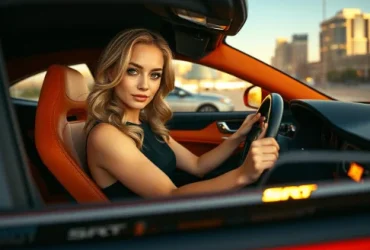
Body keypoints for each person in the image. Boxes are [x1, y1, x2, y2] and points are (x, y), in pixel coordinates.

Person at [85, 28, 280, 200]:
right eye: (132, 71)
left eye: (155, 75)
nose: (144, 85)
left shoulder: (146, 123)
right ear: (111, 73)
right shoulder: (106, 136)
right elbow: (170, 196)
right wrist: (244, 174)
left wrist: (238, 137)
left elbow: (198, 165)